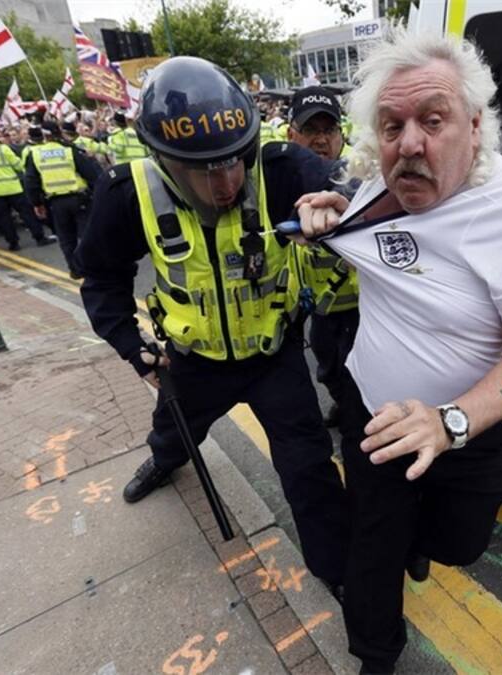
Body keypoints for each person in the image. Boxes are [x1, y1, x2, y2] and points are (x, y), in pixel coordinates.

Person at [289, 29, 502, 673]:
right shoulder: (375, 184)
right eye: (392, 126)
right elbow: (363, 225)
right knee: (373, 547)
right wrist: (327, 214)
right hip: (376, 419)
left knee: (461, 545)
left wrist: (447, 424)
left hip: (465, 426)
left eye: (433, 120)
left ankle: (421, 538)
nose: (410, 142)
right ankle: (377, 655)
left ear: (474, 126)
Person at [74, 56, 350, 593]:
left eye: (233, 161)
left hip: (275, 357)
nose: (224, 182)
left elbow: (355, 188)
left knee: (310, 471)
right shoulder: (126, 193)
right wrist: (135, 349)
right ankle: (164, 460)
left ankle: (338, 573)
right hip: (192, 362)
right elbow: (102, 281)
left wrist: (342, 201)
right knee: (174, 430)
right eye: (200, 170)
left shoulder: (281, 167)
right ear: (161, 158)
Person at [284, 87, 360, 428]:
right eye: (311, 130)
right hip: (316, 307)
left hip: (362, 306)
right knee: (327, 368)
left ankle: (355, 416)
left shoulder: (362, 174)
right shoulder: (278, 177)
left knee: (360, 374)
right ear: (291, 135)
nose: (321, 139)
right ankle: (344, 403)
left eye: (329, 130)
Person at [24, 120, 103, 279]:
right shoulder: (69, 151)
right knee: (87, 234)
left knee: (66, 238)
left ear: (44, 136)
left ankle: (75, 269)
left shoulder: (35, 155)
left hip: (56, 202)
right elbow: (91, 174)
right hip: (78, 199)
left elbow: (31, 182)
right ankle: (95, 266)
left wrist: (37, 204)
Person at [0, 120, 57, 249]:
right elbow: (18, 165)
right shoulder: (2, 148)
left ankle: (13, 243)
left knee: (4, 219)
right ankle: (39, 237)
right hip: (13, 187)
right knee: (27, 214)